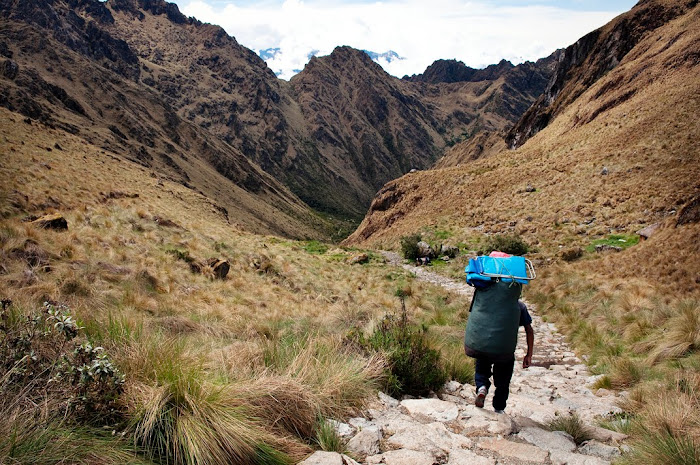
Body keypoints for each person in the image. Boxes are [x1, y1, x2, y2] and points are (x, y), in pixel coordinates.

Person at [473, 300, 534, 413]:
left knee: (481, 370)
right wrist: (529, 354)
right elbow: (529, 330)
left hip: (485, 345)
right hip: (505, 349)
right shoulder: (519, 306)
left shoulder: (487, 300)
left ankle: (482, 387)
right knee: (503, 381)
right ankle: (499, 408)